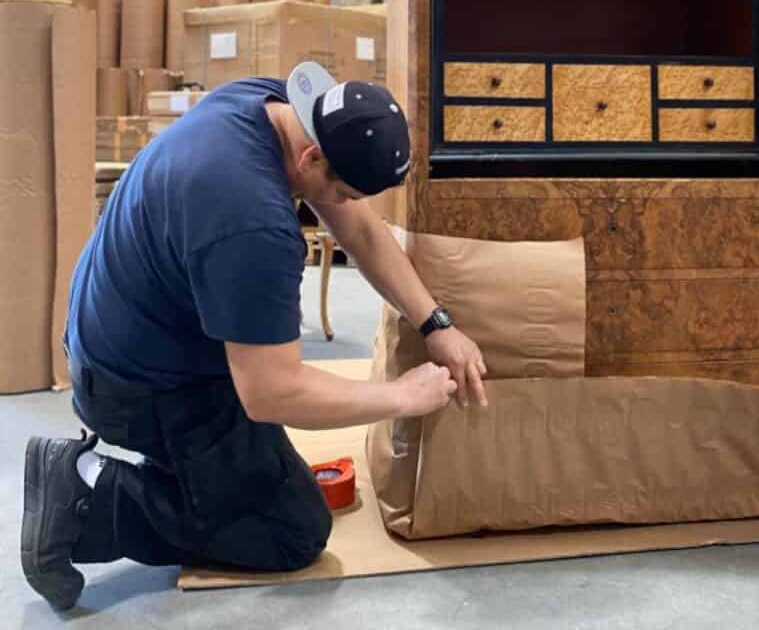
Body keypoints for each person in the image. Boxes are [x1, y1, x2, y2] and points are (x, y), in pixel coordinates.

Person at [21, 61, 488, 611]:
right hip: (138, 386)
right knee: (291, 529)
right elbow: (271, 392)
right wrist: (404, 397)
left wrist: (435, 323)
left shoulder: (273, 107)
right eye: (341, 191)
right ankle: (89, 493)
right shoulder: (253, 224)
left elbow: (358, 225)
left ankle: (189, 474)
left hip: (138, 333)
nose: (341, 205)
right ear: (312, 157)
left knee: (265, 482)